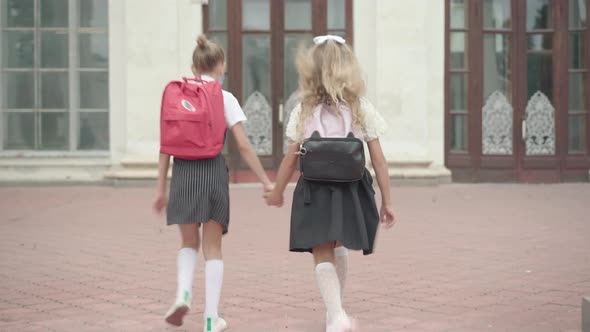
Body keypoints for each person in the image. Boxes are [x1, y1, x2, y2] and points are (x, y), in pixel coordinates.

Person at [264, 35, 396, 332]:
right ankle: (336, 312)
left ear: (311, 71)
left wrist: (276, 191)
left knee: (321, 250)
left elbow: (289, 160)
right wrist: (387, 201)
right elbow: (379, 160)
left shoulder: (304, 110)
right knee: (339, 245)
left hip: (315, 190)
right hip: (352, 188)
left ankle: (336, 315)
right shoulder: (361, 107)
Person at [154, 35, 272, 332]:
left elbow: (165, 146)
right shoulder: (226, 98)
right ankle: (210, 318)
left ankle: (183, 293)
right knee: (213, 248)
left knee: (188, 242)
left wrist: (160, 190)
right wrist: (265, 180)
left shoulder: (177, 95)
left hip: (182, 173)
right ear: (222, 66)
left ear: (193, 67)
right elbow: (244, 145)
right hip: (212, 173)